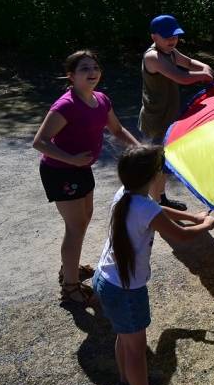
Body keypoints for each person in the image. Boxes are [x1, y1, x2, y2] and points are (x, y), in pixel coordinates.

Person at [92, 144, 214, 385]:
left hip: (104, 280)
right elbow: (182, 237)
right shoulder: (143, 206)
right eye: (163, 171)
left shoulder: (125, 194)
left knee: (125, 339)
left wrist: (192, 216)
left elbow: (156, 209)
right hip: (125, 292)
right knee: (136, 351)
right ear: (153, 178)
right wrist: (204, 225)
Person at [33, 50, 139, 307]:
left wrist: (139, 148)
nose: (92, 72)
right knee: (75, 227)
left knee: (83, 221)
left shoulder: (101, 100)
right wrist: (71, 160)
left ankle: (69, 268)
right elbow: (40, 142)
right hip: (60, 171)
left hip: (81, 168)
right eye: (84, 69)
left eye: (94, 67)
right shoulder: (66, 105)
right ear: (71, 76)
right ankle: (70, 287)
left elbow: (116, 129)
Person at [139, 14, 214, 208]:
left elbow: (188, 64)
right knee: (156, 165)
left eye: (175, 36)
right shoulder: (153, 56)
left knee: (163, 164)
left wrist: (204, 66)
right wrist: (202, 76)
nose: (172, 40)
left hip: (168, 116)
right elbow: (180, 76)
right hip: (155, 119)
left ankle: (160, 199)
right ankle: (154, 205)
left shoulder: (171, 52)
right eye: (167, 36)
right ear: (154, 37)